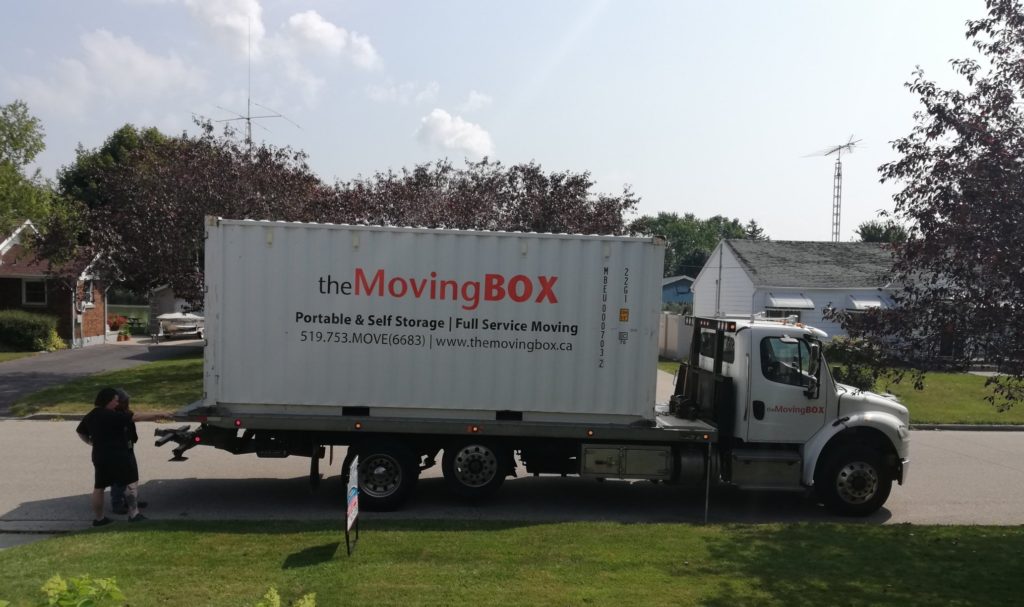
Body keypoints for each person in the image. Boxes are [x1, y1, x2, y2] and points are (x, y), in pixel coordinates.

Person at [76, 387, 164, 526]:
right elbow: (135, 417)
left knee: (99, 487)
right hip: (119, 455)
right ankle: (134, 514)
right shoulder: (110, 415)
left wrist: (91, 442)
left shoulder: (91, 415)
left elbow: (80, 431)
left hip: (99, 456)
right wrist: (161, 414)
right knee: (131, 482)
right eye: (116, 401)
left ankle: (99, 519)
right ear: (108, 401)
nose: (117, 403)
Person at [109, 388, 148, 515]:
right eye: (125, 401)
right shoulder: (114, 415)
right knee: (119, 478)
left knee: (130, 476)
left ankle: (130, 500)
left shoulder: (126, 412)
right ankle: (117, 504)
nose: (127, 403)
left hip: (128, 447)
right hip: (117, 451)